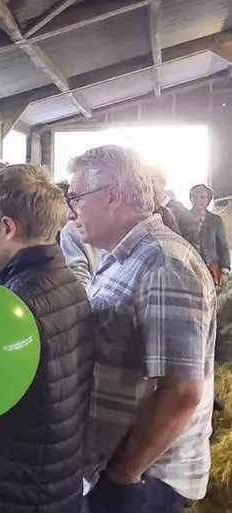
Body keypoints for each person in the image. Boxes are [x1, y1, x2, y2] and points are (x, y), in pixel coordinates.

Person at [69, 146, 215, 513]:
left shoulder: (165, 264)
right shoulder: (125, 255)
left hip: (146, 480)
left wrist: (124, 474)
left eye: (76, 198)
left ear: (113, 196)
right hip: (122, 470)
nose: (73, 211)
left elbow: (181, 392)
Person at [0, 164, 92, 513]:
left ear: (8, 228)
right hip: (50, 478)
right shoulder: (69, 283)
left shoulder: (12, 307)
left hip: (6, 488)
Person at [189, 183, 230, 286]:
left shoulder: (216, 220)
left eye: (202, 197)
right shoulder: (184, 219)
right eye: (195, 196)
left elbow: (223, 247)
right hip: (190, 269)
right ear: (190, 199)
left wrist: (224, 271)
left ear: (208, 200)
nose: (198, 200)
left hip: (212, 269)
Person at [148, 165, 198, 247]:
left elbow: (191, 243)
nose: (148, 186)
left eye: (151, 181)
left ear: (162, 183)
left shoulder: (180, 210)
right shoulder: (147, 211)